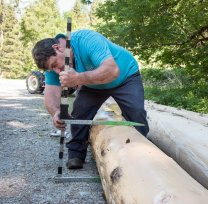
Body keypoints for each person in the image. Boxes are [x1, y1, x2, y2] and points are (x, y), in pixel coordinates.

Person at [32, 30, 149, 169]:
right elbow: (51, 94)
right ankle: (76, 154)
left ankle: (142, 152)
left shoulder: (87, 40)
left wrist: (78, 78)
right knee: (80, 112)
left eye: (54, 65)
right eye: (52, 69)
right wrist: (56, 112)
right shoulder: (54, 66)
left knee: (136, 113)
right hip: (93, 85)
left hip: (125, 77)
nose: (57, 71)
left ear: (57, 48)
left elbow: (112, 71)